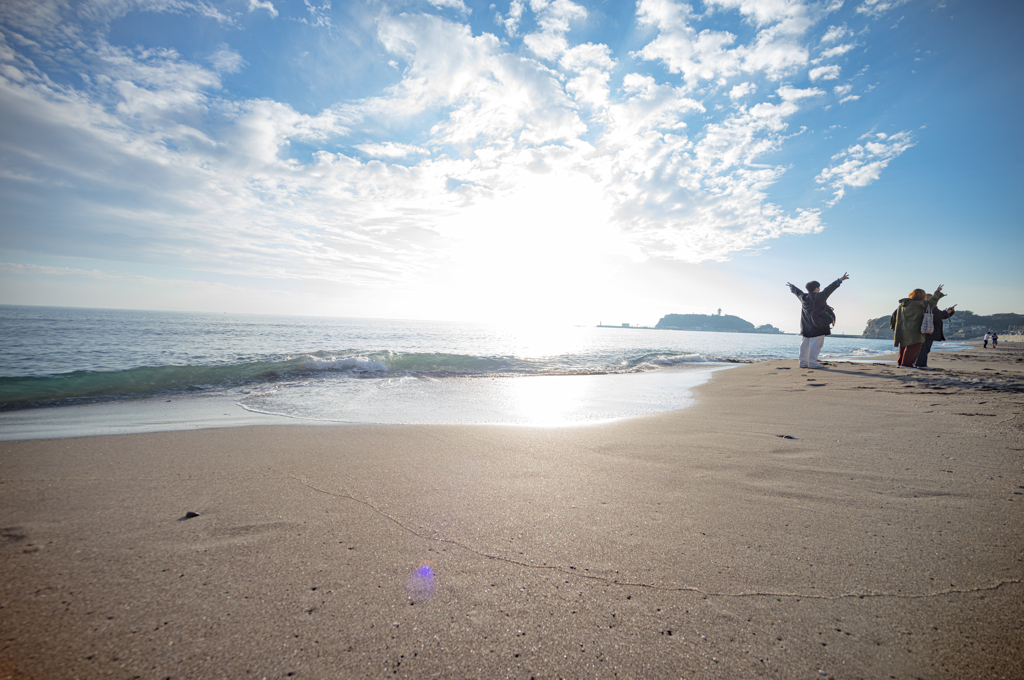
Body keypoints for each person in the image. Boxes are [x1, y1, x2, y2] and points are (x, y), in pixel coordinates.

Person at [787, 273, 849, 369]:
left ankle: (803, 362)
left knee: (805, 344)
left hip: (806, 325)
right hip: (819, 326)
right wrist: (840, 279)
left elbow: (797, 292)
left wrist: (792, 286)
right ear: (816, 288)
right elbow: (830, 288)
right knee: (816, 345)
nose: (819, 289)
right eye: (819, 288)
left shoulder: (803, 297)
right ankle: (812, 362)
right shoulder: (821, 296)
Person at [890, 285, 945, 368]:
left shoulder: (902, 304)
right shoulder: (919, 303)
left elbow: (894, 315)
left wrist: (893, 326)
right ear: (922, 296)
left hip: (902, 328)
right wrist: (937, 293)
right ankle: (906, 364)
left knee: (904, 345)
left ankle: (900, 363)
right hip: (914, 328)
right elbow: (931, 303)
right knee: (914, 346)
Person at [913, 297, 955, 370]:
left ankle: (919, 363)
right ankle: (920, 364)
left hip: (929, 330)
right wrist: (946, 312)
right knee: (925, 347)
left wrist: (950, 312)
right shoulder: (928, 307)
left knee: (925, 348)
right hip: (928, 330)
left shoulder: (931, 307)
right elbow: (936, 317)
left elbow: (941, 316)